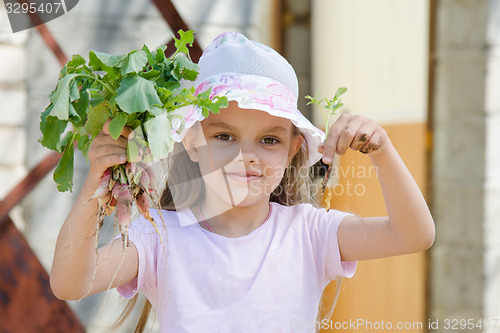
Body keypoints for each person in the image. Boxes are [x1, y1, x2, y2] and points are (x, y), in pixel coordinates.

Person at [49, 32, 435, 332]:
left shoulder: (309, 232)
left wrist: (383, 151)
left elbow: (413, 235)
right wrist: (95, 187)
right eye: (224, 136)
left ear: (292, 150)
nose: (246, 155)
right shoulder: (159, 236)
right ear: (192, 142)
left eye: (269, 140)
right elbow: (70, 284)